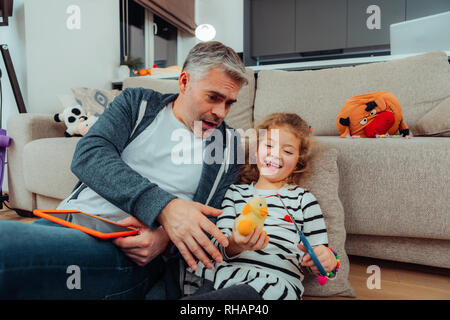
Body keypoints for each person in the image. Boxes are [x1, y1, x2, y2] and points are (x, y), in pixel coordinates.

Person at [0, 41, 247, 299]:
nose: (220, 112)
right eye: (213, 98)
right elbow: (89, 155)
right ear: (184, 82)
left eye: (229, 103)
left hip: (128, 253)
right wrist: (165, 208)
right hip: (68, 222)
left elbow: (213, 217)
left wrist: (165, 239)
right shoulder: (137, 103)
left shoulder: (228, 146)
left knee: (6, 249)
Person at [182, 113, 338, 300]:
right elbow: (218, 246)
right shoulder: (235, 193)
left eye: (288, 151)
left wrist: (326, 261)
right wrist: (235, 243)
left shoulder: (304, 199)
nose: (275, 154)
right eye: (269, 145)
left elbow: (320, 255)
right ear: (256, 152)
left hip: (271, 283)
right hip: (222, 277)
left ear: (298, 162)